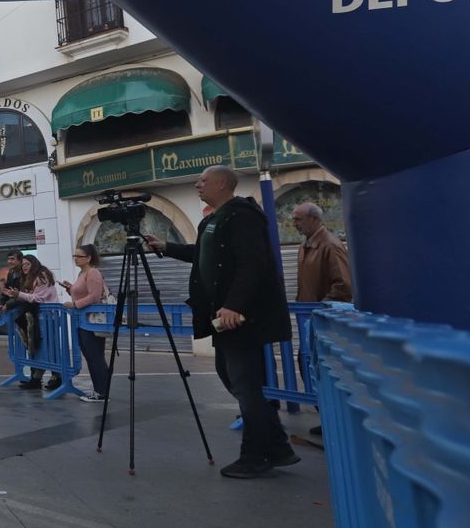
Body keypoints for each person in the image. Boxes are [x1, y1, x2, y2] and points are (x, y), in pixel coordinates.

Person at [144, 165, 298, 479]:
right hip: (221, 318)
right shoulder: (212, 220)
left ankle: (255, 455)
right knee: (233, 377)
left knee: (245, 384)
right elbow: (202, 255)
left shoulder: (242, 216)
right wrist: (167, 247)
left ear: (223, 183)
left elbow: (253, 264)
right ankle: (279, 447)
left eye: (203, 180)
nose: (198, 184)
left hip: (240, 319)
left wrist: (234, 305)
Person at [66, 245, 111, 402]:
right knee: (91, 356)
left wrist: (75, 305)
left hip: (92, 321)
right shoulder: (82, 273)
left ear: (89, 258)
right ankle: (98, 390)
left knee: (95, 356)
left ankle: (102, 392)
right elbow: (84, 293)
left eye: (79, 256)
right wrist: (70, 289)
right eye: (75, 256)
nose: (76, 258)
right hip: (84, 320)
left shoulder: (92, 273)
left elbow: (94, 296)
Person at [12, 255, 60, 391]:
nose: (24, 266)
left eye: (27, 264)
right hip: (40, 318)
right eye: (23, 264)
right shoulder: (30, 277)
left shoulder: (42, 275)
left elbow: (38, 298)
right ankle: (36, 379)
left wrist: (19, 295)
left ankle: (58, 377)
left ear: (34, 263)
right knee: (39, 347)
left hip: (49, 318)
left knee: (49, 349)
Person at [292, 203, 352, 302]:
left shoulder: (331, 246)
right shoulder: (304, 245)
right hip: (307, 313)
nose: (294, 224)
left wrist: (320, 308)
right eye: (293, 220)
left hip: (321, 314)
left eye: (298, 219)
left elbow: (344, 287)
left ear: (314, 219)